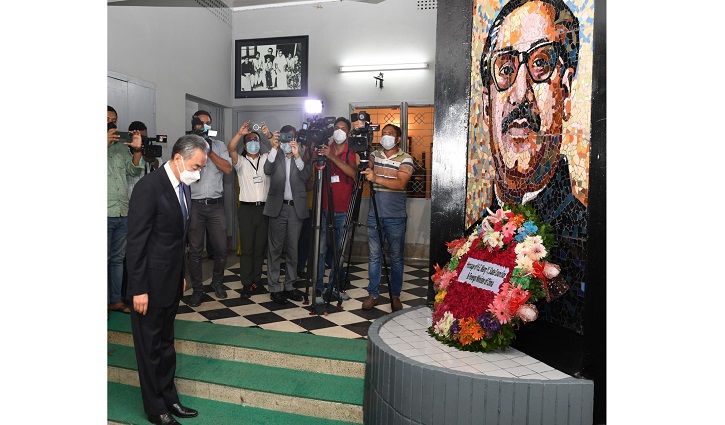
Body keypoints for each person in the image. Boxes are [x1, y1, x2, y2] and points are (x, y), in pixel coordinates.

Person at [478, 0, 586, 323]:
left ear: (565, 92)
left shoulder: (587, 243)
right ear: (486, 107)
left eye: (540, 63)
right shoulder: (473, 237)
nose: (520, 92)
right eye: (506, 70)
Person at [126, 134, 208, 425]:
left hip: (171, 281)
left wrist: (181, 275)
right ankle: (155, 408)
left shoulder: (183, 186)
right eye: (196, 166)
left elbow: (177, 240)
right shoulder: (149, 187)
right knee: (149, 349)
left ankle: (170, 398)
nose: (198, 172)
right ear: (177, 159)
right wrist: (139, 289)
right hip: (148, 285)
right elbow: (136, 243)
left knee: (166, 344)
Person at [361, 124, 413, 311]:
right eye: (383, 134)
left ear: (398, 139)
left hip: (395, 217)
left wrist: (376, 178)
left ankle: (395, 295)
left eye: (390, 134)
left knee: (396, 257)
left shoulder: (406, 158)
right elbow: (365, 167)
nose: (386, 137)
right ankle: (373, 294)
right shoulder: (375, 155)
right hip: (374, 214)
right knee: (374, 256)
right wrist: (362, 150)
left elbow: (400, 184)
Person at [186, 110, 233, 308]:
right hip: (195, 206)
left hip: (216, 206)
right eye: (201, 122)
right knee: (195, 251)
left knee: (221, 248)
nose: (205, 126)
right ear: (194, 125)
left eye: (208, 123)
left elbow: (228, 169)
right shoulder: (187, 145)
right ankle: (197, 289)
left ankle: (217, 282)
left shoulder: (219, 145)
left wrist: (209, 151)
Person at [263, 125, 311, 305]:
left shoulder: (301, 153)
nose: (288, 140)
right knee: (275, 249)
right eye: (285, 137)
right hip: (278, 207)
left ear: (295, 138)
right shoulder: (275, 154)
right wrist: (274, 148)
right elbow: (267, 170)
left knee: (293, 250)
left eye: (291, 137)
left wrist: (297, 155)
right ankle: (274, 288)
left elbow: (306, 175)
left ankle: (289, 286)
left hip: (296, 209)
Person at [315, 117, 360, 303]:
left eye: (343, 128)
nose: (339, 131)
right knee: (321, 250)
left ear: (348, 133)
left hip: (344, 210)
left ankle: (334, 286)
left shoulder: (352, 152)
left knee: (339, 252)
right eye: (336, 128)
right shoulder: (325, 148)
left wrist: (332, 157)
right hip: (325, 208)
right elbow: (315, 168)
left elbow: (354, 174)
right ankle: (318, 289)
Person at [108, 105, 144, 315]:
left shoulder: (121, 147)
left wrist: (136, 150)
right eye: (106, 119)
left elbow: (133, 170)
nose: (111, 123)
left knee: (117, 260)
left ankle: (115, 300)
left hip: (122, 210)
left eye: (113, 120)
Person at [228, 122, 270, 297]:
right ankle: (246, 283)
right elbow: (231, 149)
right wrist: (239, 134)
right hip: (246, 209)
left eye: (256, 139)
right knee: (247, 249)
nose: (253, 142)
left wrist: (268, 134)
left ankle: (257, 280)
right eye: (249, 140)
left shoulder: (266, 158)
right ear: (245, 146)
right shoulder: (241, 162)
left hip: (264, 210)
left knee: (260, 248)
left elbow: (278, 149)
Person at [126, 120, 160, 198]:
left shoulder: (150, 151)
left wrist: (153, 161)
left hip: (149, 197)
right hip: (131, 196)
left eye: (145, 138)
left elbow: (160, 171)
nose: (142, 141)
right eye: (140, 137)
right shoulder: (125, 153)